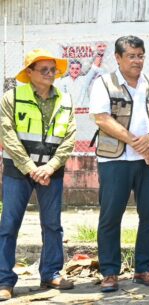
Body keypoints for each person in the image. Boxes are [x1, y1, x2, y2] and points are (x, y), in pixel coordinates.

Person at [89, 35, 149, 292]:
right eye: (132, 56)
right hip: (115, 160)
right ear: (118, 58)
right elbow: (101, 118)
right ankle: (110, 272)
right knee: (111, 216)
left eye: (141, 56)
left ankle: (143, 269)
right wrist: (137, 142)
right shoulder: (104, 82)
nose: (137, 61)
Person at [0, 49, 76, 301]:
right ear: (29, 73)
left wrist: (50, 166)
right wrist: (30, 167)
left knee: (52, 225)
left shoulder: (65, 100)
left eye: (52, 69)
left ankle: (51, 273)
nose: (50, 74)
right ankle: (4, 280)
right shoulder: (11, 97)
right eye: (43, 69)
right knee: (9, 226)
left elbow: (69, 138)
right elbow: (7, 134)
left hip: (50, 173)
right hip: (18, 171)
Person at [55, 42, 106, 107]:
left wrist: (100, 53)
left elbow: (94, 67)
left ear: (80, 69)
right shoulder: (63, 81)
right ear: (69, 69)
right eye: (72, 68)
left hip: (84, 109)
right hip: (69, 110)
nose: (75, 71)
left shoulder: (84, 79)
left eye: (77, 68)